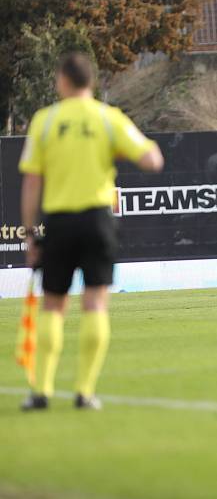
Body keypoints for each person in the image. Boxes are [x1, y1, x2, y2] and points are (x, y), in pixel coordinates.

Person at [18, 52, 164, 411]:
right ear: (92, 82)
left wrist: (29, 233)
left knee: (53, 304)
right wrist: (128, 150)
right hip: (98, 219)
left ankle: (42, 392)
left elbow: (32, 182)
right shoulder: (107, 118)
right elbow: (152, 160)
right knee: (95, 302)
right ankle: (85, 392)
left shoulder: (45, 121)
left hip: (60, 220)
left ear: (64, 81)